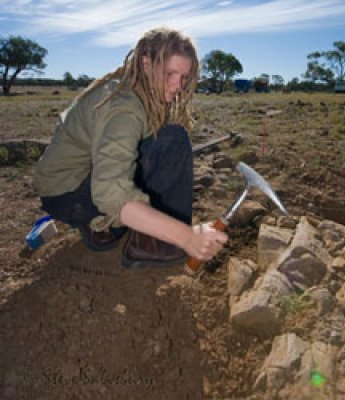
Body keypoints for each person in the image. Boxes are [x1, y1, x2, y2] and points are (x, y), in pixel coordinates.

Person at [34, 27, 228, 268]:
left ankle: (106, 227)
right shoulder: (124, 108)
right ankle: (149, 243)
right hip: (67, 195)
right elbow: (109, 191)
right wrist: (186, 237)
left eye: (184, 77)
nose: (177, 85)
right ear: (146, 64)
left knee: (163, 138)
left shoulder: (139, 90)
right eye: (169, 73)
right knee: (173, 141)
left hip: (73, 186)